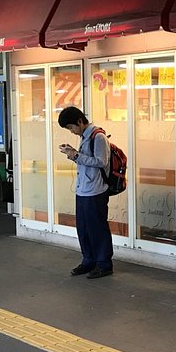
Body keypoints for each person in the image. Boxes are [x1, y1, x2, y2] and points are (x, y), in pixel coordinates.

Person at [57, 106, 114, 279]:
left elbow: (101, 161)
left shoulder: (98, 137)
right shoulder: (84, 136)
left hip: (96, 190)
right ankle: (88, 260)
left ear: (80, 121)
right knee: (83, 228)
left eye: (71, 127)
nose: (71, 131)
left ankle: (104, 263)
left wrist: (76, 155)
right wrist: (73, 153)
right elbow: (85, 161)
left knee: (97, 228)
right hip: (83, 189)